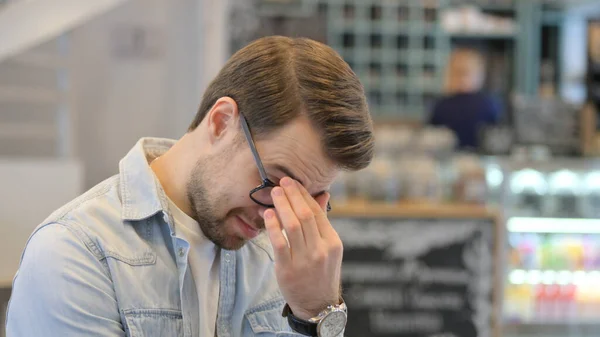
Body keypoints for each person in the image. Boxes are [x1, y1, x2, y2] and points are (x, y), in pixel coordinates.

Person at [6, 36, 374, 337]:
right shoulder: (75, 253)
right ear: (221, 122)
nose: (277, 215)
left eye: (307, 201)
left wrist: (314, 314)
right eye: (275, 182)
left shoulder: (281, 260)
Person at [429, 48, 502, 150]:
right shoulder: (489, 104)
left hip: (447, 159)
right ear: (479, 76)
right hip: (481, 158)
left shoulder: (441, 105)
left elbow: (430, 135)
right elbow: (498, 134)